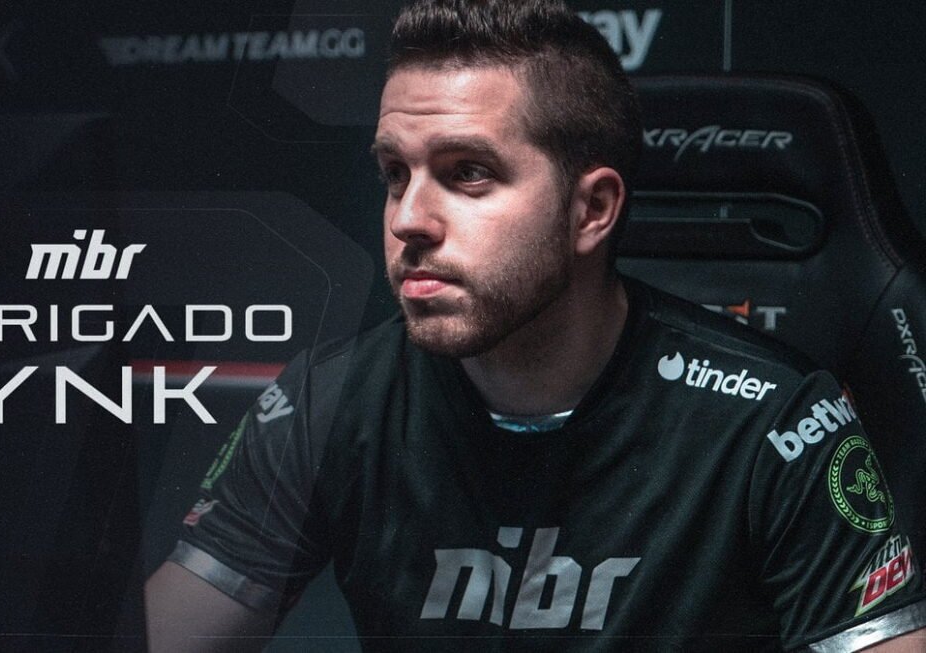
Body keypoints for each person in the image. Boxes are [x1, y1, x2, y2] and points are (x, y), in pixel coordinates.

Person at [145, 0, 926, 650]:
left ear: (592, 209)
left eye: (468, 173)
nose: (408, 218)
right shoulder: (329, 405)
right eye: (395, 173)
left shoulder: (777, 427)